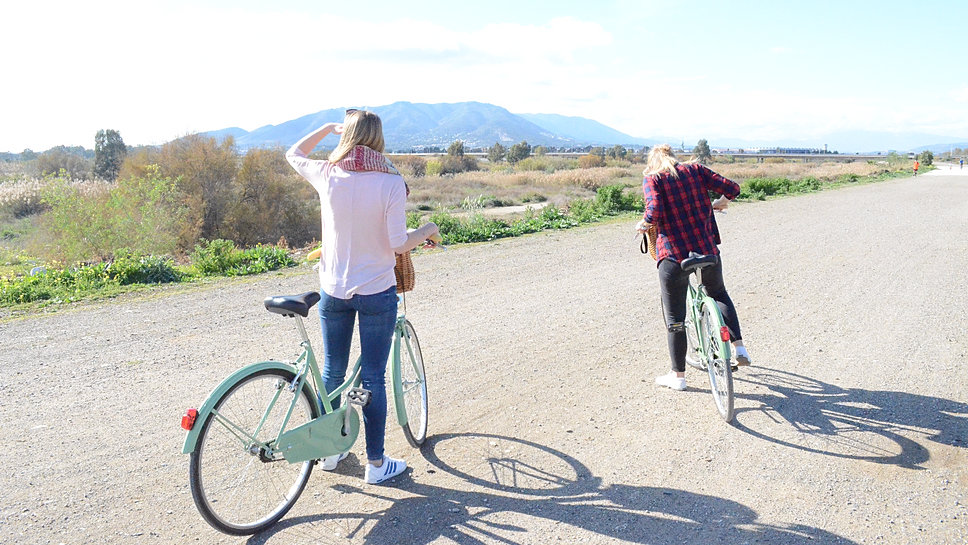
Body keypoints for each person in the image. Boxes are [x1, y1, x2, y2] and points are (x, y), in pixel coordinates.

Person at [286, 109, 439, 483]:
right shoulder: (390, 182)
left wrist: (325, 129)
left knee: (332, 370)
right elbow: (398, 243)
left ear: (347, 136)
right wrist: (429, 229)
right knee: (372, 377)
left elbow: (292, 153)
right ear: (379, 139)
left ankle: (331, 450)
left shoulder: (327, 174)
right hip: (375, 290)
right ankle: (375, 463)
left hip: (333, 290)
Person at [636, 144, 750, 391]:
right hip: (707, 251)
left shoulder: (653, 179)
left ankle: (678, 377)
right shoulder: (696, 170)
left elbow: (653, 211)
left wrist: (643, 224)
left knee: (675, 318)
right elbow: (733, 188)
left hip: (674, 256)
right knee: (718, 294)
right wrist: (719, 202)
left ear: (653, 162)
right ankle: (739, 347)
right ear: (674, 158)